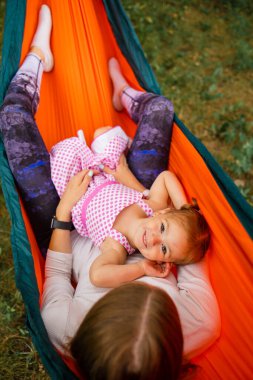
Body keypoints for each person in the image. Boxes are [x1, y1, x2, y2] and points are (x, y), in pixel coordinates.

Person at [0, 5, 221, 379]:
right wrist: (173, 212)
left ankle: (37, 58)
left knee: (12, 121)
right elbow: (188, 240)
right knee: (161, 109)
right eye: (156, 291)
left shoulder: (64, 329)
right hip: (134, 195)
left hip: (71, 224)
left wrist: (65, 211)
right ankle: (123, 93)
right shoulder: (200, 322)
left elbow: (56, 271)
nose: (145, 273)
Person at [49, 58, 210, 288]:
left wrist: (141, 268)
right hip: (104, 173)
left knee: (65, 151)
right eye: (163, 228)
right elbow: (165, 178)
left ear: (165, 263)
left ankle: (115, 138)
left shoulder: (117, 246)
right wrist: (186, 210)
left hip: (74, 186)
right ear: (162, 213)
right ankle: (121, 99)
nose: (154, 239)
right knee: (104, 134)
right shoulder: (152, 208)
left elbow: (98, 275)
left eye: (163, 249)